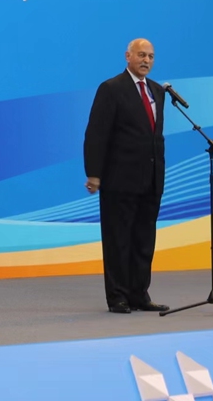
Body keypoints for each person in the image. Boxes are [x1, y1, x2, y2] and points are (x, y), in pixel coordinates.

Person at [83, 38, 169, 314]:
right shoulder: (111, 89)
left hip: (151, 179)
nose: (146, 60)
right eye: (141, 55)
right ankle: (118, 296)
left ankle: (139, 294)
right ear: (127, 56)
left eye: (151, 56)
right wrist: (94, 173)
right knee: (118, 240)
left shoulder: (157, 91)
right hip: (119, 179)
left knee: (144, 240)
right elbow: (96, 133)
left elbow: (154, 136)